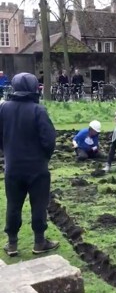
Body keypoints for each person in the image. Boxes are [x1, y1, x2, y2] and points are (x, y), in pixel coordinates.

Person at [0, 72, 58, 257]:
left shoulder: (3, 109)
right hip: (36, 168)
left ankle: (12, 244)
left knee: (13, 204)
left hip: (13, 167)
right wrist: (43, 158)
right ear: (34, 88)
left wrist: (7, 152)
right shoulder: (37, 110)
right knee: (39, 205)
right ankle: (39, 242)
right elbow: (49, 139)